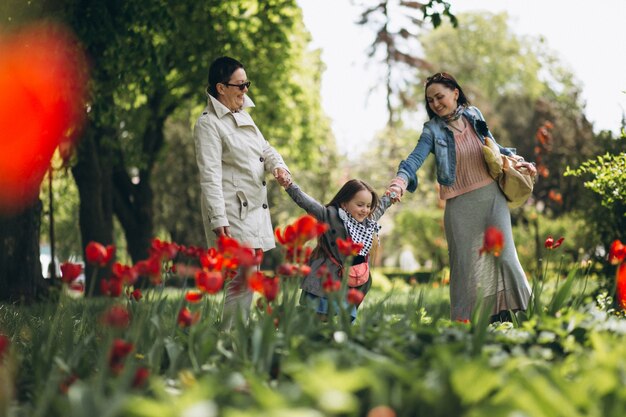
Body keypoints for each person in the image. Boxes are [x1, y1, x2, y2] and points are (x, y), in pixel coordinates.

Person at [386, 72, 536, 323]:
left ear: (455, 93)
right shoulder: (432, 130)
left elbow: (493, 147)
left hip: (491, 198)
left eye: (439, 96)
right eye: (430, 100)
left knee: (507, 259)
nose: (435, 103)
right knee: (466, 269)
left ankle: (523, 317)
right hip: (459, 206)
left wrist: (519, 161)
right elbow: (414, 158)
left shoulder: (474, 115)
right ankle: (472, 324)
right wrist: (400, 180)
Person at [193, 56, 291, 329]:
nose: (245, 90)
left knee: (250, 273)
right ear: (220, 88)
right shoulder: (208, 124)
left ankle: (235, 335)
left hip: (252, 209)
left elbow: (266, 149)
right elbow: (209, 175)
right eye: (240, 85)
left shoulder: (243, 116)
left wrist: (279, 167)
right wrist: (217, 219)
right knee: (242, 276)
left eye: (247, 84)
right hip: (232, 210)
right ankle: (229, 337)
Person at [283, 178, 393, 321]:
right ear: (344, 203)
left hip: (350, 282)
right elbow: (307, 203)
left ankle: (338, 340)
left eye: (368, 205)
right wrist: (289, 186)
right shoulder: (330, 215)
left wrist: (390, 196)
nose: (365, 210)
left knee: (345, 319)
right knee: (318, 317)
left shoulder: (368, 222)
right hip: (325, 277)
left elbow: (381, 207)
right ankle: (290, 322)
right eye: (360, 205)